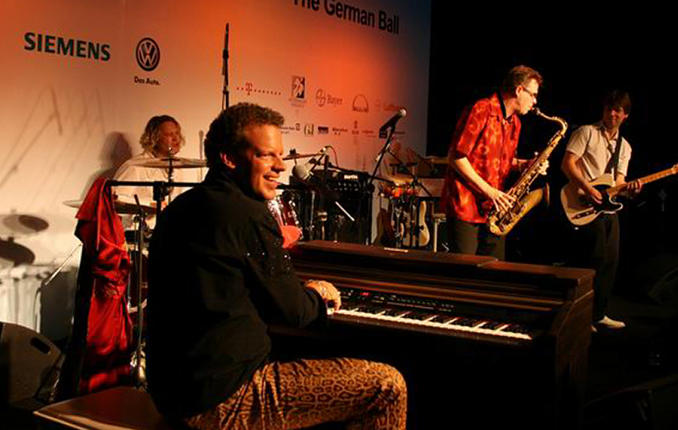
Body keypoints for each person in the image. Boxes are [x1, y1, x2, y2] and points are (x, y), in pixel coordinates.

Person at [146, 103, 407, 429]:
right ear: (229, 158)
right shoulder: (247, 214)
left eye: (280, 155)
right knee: (387, 387)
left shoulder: (180, 208)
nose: (281, 166)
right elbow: (294, 313)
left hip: (172, 393)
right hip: (224, 399)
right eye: (266, 155)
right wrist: (316, 293)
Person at [441, 65, 545, 259]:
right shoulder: (482, 109)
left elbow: (501, 161)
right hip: (466, 207)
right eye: (532, 95)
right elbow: (456, 157)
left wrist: (526, 164)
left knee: (494, 270)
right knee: (465, 271)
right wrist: (490, 191)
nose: (535, 101)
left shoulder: (515, 123)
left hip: (495, 210)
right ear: (519, 90)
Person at [561, 90, 641, 331]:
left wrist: (630, 190)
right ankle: (579, 316)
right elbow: (567, 164)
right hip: (583, 204)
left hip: (607, 209)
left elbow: (618, 182)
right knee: (590, 261)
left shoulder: (624, 147)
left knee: (610, 262)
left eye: (618, 110)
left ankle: (598, 314)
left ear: (625, 115)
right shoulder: (586, 132)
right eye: (609, 108)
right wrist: (587, 187)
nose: (612, 113)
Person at [112, 115, 186, 208]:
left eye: (177, 133)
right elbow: (115, 198)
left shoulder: (177, 168)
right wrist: (151, 204)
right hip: (142, 217)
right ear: (154, 138)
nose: (176, 139)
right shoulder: (135, 166)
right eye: (169, 134)